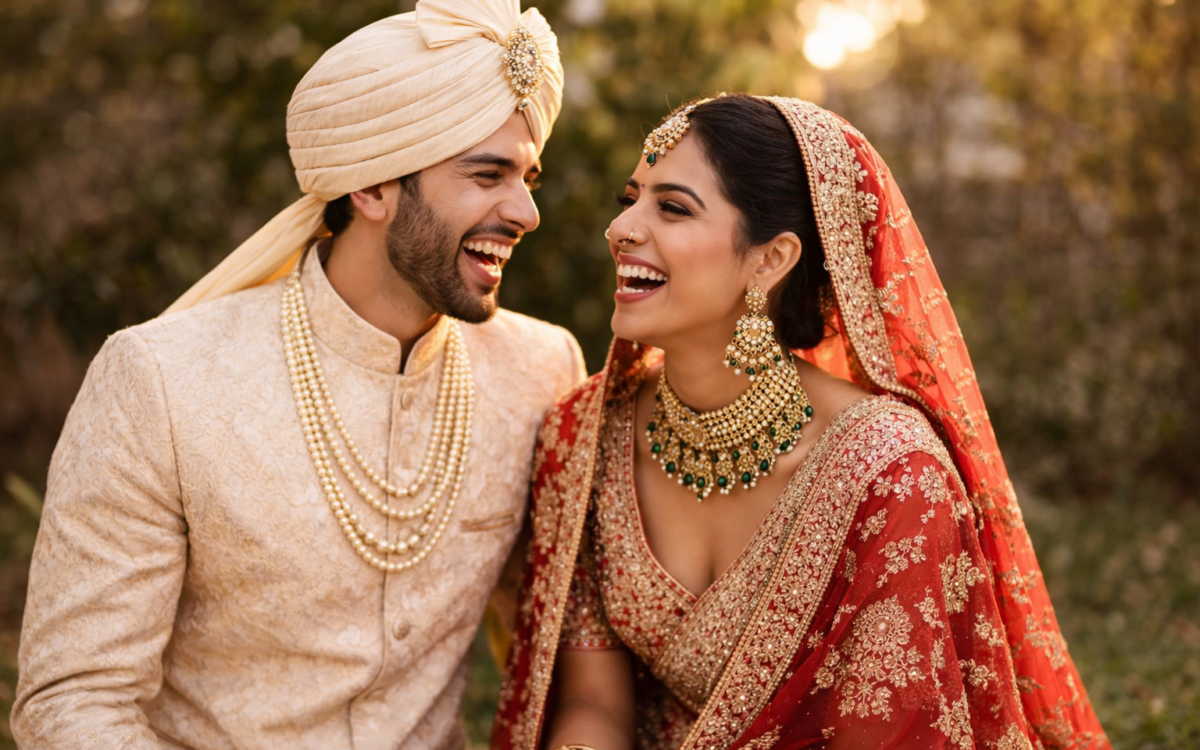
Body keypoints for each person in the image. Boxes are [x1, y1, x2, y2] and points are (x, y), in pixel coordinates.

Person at [12, 1, 582, 748]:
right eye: (488, 174)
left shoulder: (541, 371)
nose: (526, 211)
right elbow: (73, 700)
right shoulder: (163, 379)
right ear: (371, 187)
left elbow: (568, 656)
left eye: (528, 175)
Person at [492, 94, 1110, 750]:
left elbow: (885, 731)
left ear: (769, 260)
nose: (621, 229)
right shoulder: (585, 437)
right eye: (630, 199)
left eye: (671, 207)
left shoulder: (894, 478)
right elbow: (594, 707)